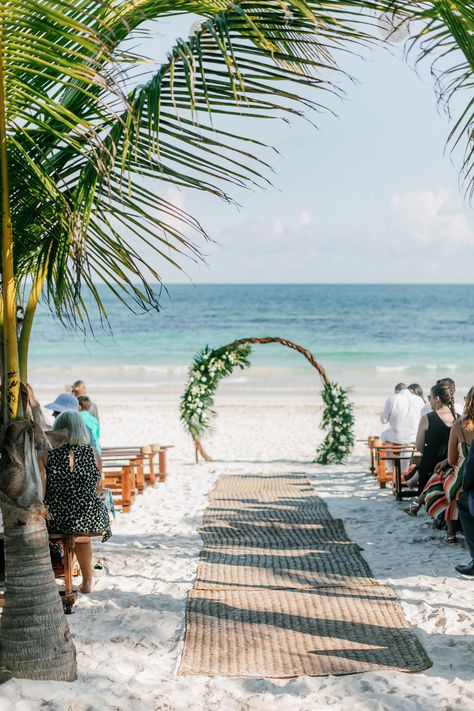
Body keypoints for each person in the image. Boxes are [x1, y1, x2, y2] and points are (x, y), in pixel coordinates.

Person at [38, 411, 111, 593]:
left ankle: (64, 569)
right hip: (90, 516)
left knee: (58, 529)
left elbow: (42, 493)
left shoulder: (46, 455)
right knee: (81, 537)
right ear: (81, 430)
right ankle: (87, 582)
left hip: (58, 518)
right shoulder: (93, 453)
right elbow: (98, 487)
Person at [406, 386, 474, 543]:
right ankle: (417, 503)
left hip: (465, 476)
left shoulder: (460, 426)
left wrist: (444, 462)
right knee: (445, 480)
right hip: (465, 475)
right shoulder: (455, 418)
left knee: (446, 486)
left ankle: (449, 532)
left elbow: (451, 460)